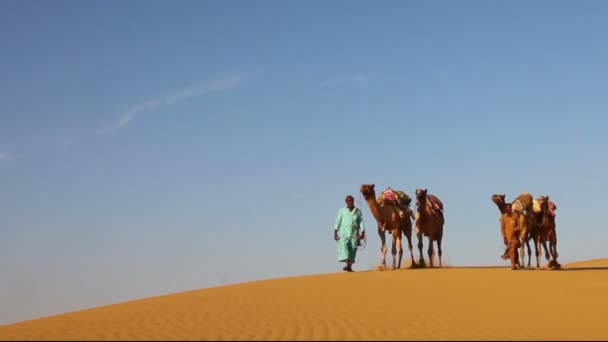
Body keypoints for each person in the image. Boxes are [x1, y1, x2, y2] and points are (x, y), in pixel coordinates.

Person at [333, 195, 366, 272]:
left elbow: (361, 222)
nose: (350, 202)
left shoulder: (357, 211)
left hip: (354, 232)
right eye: (348, 201)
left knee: (353, 249)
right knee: (344, 246)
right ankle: (347, 263)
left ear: (353, 201)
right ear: (346, 202)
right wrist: (335, 232)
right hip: (344, 232)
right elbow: (338, 221)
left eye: (351, 200)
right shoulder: (342, 210)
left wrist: (363, 232)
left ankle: (349, 266)